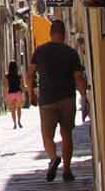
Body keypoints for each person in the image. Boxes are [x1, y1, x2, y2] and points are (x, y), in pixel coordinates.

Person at [28, 18, 89, 182]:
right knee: (66, 133)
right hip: (67, 99)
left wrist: (31, 94)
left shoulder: (39, 51)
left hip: (46, 99)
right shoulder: (70, 53)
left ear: (50, 33)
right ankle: (67, 170)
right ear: (64, 34)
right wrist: (84, 96)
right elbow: (78, 77)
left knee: (47, 135)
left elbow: (30, 72)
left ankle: (54, 157)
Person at [5, 59, 24, 129]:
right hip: (18, 92)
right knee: (19, 108)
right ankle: (19, 121)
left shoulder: (7, 76)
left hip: (11, 93)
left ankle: (15, 124)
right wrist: (23, 93)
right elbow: (22, 85)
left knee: (13, 109)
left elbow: (6, 86)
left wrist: (6, 95)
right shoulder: (19, 75)